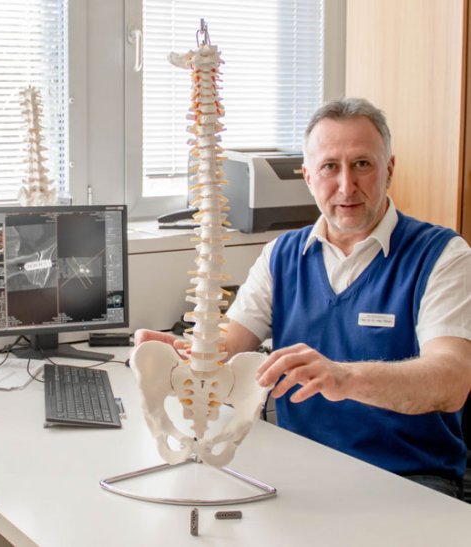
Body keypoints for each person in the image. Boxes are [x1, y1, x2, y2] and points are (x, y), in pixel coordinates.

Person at [138, 97, 471, 499]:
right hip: (300, 467)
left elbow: (452, 379)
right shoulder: (281, 255)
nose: (346, 185)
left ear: (389, 170)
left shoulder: (442, 255)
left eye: (362, 164)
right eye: (330, 167)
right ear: (308, 176)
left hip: (411, 478)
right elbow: (230, 347)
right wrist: (186, 354)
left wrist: (344, 378)